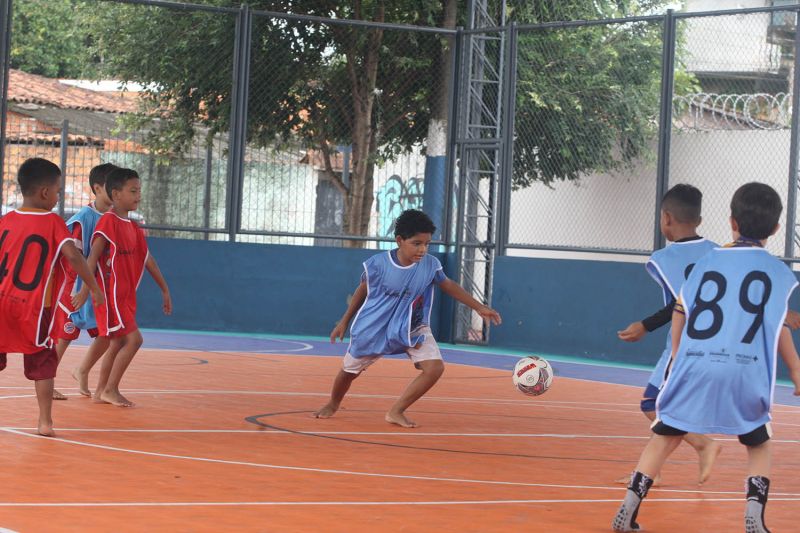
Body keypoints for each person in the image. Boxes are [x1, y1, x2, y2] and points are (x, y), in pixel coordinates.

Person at [612, 182, 800, 533]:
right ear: (776, 229)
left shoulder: (707, 261)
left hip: (694, 363)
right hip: (746, 369)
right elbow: (778, 327)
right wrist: (797, 368)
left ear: (731, 222)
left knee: (664, 436)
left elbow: (680, 310)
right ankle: (754, 519)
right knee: (758, 443)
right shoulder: (779, 273)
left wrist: (681, 353)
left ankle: (627, 508)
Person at [314, 209, 502, 428]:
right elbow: (362, 291)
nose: (423, 249)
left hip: (412, 324)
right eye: (416, 243)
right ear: (399, 240)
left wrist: (479, 307)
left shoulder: (430, 264)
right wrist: (344, 321)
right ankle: (333, 403)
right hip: (376, 327)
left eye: (427, 243)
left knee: (434, 369)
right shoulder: (378, 264)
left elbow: (447, 284)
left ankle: (396, 411)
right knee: (349, 372)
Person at [617, 184, 721, 484]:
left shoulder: (664, 258)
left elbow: (681, 302)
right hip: (713, 343)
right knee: (666, 406)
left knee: (652, 404)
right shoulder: (717, 252)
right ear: (699, 220)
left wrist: (644, 325)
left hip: (682, 346)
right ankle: (653, 472)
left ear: (665, 218)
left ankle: (704, 444)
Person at [0, 158, 104, 435]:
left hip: (1, 303)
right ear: (45, 192)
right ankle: (44, 422)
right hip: (34, 307)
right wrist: (92, 287)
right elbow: (73, 256)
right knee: (43, 363)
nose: (58, 198)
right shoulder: (53, 222)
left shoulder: (6, 220)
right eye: (58, 191)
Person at [74, 167, 171, 407]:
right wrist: (87, 290)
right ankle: (111, 388)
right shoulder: (108, 221)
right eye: (133, 191)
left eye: (139, 190)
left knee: (117, 342)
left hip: (126, 296)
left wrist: (164, 289)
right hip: (111, 296)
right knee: (134, 340)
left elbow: (149, 260)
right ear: (116, 194)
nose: (138, 195)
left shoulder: (134, 227)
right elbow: (92, 259)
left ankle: (100, 392)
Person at [51, 163, 117, 399]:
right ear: (98, 188)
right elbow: (74, 255)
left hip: (101, 287)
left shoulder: (115, 217)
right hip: (77, 286)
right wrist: (84, 287)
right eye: (114, 185)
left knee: (107, 333)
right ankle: (47, 379)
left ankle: (82, 369)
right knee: (65, 334)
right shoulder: (84, 218)